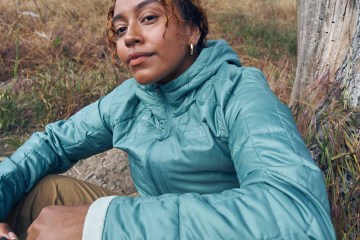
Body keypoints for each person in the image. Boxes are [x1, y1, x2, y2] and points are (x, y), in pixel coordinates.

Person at [0, 0, 336, 239]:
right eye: (120, 28)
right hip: (148, 218)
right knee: (35, 191)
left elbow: (297, 213)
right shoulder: (130, 98)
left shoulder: (239, 92)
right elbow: (54, 142)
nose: (129, 36)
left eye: (148, 17)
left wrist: (103, 225)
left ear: (191, 30)